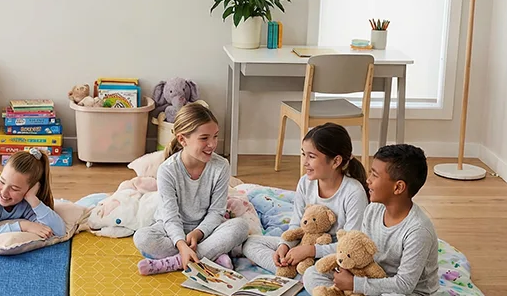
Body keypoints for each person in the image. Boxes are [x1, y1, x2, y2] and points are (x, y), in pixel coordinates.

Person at [295, 143, 440, 296]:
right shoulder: (373, 209)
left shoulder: (418, 230)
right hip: (368, 281)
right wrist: (344, 271)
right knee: (312, 273)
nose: (368, 181)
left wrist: (355, 284)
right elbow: (356, 250)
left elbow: (404, 285)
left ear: (398, 187)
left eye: (375, 175)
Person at [135, 102, 248, 275]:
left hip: (206, 230)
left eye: (215, 136)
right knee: (142, 237)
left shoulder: (221, 166)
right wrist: (181, 243)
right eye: (204, 138)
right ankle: (210, 256)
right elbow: (170, 217)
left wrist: (198, 233)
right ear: (182, 139)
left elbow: (216, 212)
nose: (212, 144)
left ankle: (176, 261)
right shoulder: (167, 170)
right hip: (170, 229)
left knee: (240, 226)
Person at [243, 122, 369, 274]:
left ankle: (298, 274)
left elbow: (351, 245)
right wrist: (285, 245)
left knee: (322, 272)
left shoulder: (354, 193)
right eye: (304, 154)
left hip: (336, 256)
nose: (305, 163)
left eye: (312, 156)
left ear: (336, 161)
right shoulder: (305, 182)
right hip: (305, 245)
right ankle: (290, 270)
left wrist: (311, 251)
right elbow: (297, 223)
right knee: (250, 243)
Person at [0, 147, 66, 240]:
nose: (4, 192)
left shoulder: (27, 201)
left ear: (31, 189)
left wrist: (33, 200)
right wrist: (24, 226)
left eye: (14, 188)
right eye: (2, 181)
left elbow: (59, 232)